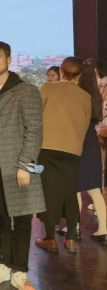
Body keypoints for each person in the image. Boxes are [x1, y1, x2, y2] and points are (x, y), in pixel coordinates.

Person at [0, 42, 45, 290]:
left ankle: (20, 271)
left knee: (23, 219)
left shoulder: (26, 91)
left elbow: (34, 131)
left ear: (8, 59)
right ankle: (4, 265)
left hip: (19, 167)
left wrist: (25, 165)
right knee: (1, 218)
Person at [36, 57, 91, 254]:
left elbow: (36, 117)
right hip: (73, 150)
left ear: (61, 70)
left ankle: (50, 239)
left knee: (49, 194)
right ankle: (71, 240)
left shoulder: (47, 88)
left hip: (48, 148)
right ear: (79, 74)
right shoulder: (85, 96)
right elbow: (85, 125)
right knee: (70, 193)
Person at [76, 64, 107, 244]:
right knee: (94, 189)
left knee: (74, 188)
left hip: (79, 141)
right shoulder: (97, 97)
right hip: (92, 142)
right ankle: (103, 229)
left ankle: (74, 227)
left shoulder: (79, 97)